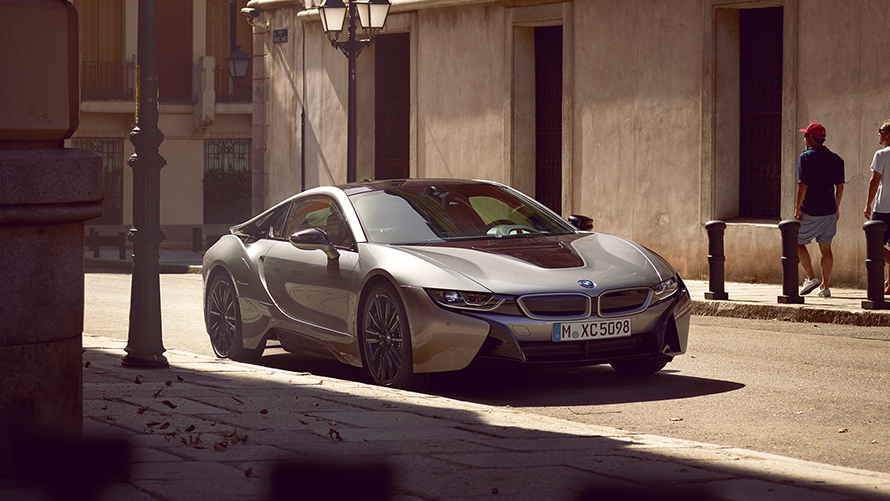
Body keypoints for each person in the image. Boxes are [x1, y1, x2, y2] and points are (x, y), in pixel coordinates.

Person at [794, 123, 845, 298]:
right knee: (826, 248)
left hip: (810, 210)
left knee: (796, 242)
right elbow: (840, 187)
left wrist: (797, 208)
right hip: (829, 210)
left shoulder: (805, 157)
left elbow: (802, 186)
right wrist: (836, 207)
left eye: (806, 135)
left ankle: (811, 277)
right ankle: (825, 286)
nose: (804, 138)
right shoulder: (836, 159)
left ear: (810, 138)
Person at [864, 119, 890, 294]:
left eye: (880, 130)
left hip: (883, 208)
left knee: (874, 244)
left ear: (888, 134)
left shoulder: (881, 154)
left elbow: (874, 181)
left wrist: (868, 204)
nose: (878, 133)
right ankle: (889, 284)